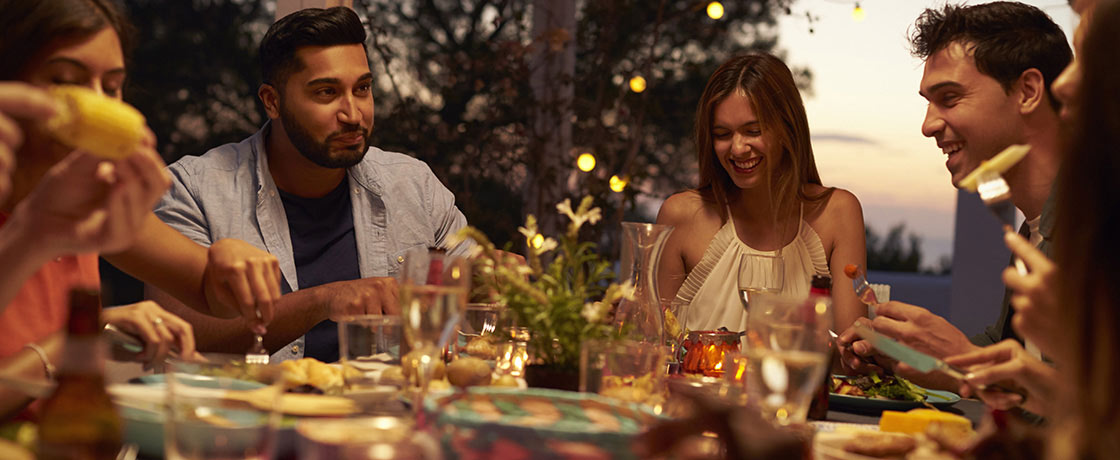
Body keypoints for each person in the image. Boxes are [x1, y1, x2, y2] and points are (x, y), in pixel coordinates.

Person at [0, 0, 283, 418]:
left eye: (112, 86)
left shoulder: (86, 205)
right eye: (65, 79)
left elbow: (210, 290)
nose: (103, 105)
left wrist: (225, 259)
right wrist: (76, 338)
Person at [148, 6, 470, 362]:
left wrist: (495, 278)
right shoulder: (194, 190)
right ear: (272, 101)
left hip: (386, 411)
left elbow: (471, 305)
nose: (353, 114)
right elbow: (178, 328)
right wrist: (324, 300)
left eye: (362, 88)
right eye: (327, 93)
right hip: (253, 413)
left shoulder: (415, 185)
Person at [836, 1, 1072, 392]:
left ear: (1028, 92)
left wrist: (960, 361)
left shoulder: (1098, 228)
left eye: (949, 98)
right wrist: (909, 357)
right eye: (928, 103)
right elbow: (1013, 356)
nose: (928, 125)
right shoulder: (1035, 230)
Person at [656, 52, 867, 334]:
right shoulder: (681, 215)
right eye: (722, 134)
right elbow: (651, 343)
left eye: (752, 131)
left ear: (787, 129)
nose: (737, 148)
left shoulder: (838, 212)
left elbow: (852, 355)